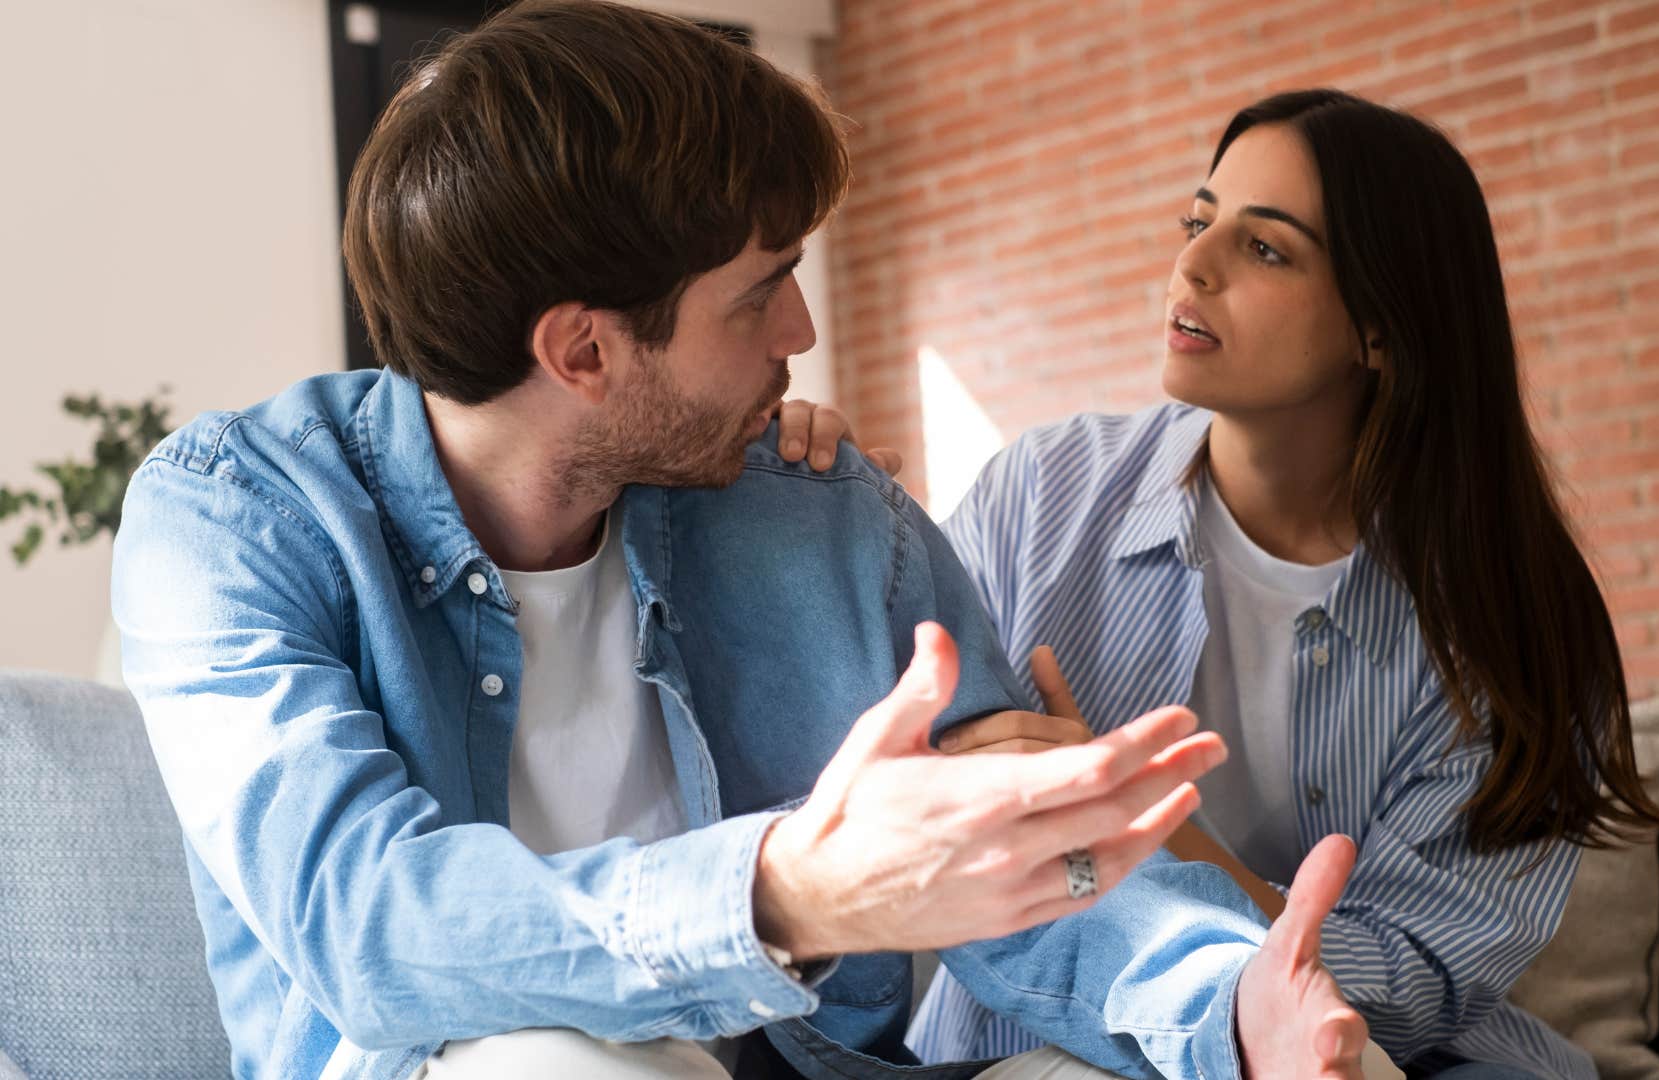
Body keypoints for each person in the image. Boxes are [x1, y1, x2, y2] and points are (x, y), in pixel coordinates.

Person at [110, 6, 1374, 1079]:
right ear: (584, 352)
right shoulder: (235, 520)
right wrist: (792, 889)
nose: (804, 331)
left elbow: (1024, 864)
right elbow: (370, 927)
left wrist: (1231, 1000)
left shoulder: (815, 506)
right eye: (761, 288)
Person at [847, 89, 1659, 1080]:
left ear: (1382, 326)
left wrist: (1139, 833)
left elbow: (1410, 985)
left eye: (1265, 248)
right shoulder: (1043, 496)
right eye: (1199, 222)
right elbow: (888, 789)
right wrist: (808, 496)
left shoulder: (1512, 620)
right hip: (1038, 1042)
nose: (1191, 265)